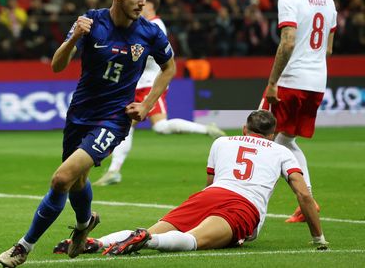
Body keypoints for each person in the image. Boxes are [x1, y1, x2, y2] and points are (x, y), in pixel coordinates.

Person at [0, 0, 176, 268]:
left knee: (61, 178)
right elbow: (57, 65)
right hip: (80, 114)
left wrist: (145, 105)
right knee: (78, 182)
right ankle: (83, 224)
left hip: (113, 119)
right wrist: (73, 38)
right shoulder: (92, 21)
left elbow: (169, 67)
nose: (141, 2)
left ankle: (22, 247)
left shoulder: (150, 32)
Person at [53, 110, 327, 256]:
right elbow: (303, 195)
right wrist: (318, 237)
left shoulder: (223, 142)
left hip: (209, 195)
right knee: (194, 240)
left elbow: (210, 182)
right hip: (244, 207)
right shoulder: (282, 151)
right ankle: (148, 241)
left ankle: (97, 242)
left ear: (245, 129)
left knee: (158, 226)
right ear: (273, 133)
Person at [94, 0, 225, 186]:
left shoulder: (155, 25)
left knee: (161, 127)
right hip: (137, 84)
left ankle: (207, 129)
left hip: (150, 84)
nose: (138, 6)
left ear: (151, 5)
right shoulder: (143, 25)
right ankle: (114, 171)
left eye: (142, 2)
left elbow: (151, 55)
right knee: (126, 126)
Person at [259, 0, 336, 223]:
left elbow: (288, 41)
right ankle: (307, 201)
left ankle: (249, 204)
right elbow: (327, 49)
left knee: (259, 136)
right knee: (285, 140)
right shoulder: (328, 2)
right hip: (316, 82)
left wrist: (273, 82)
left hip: (290, 81)